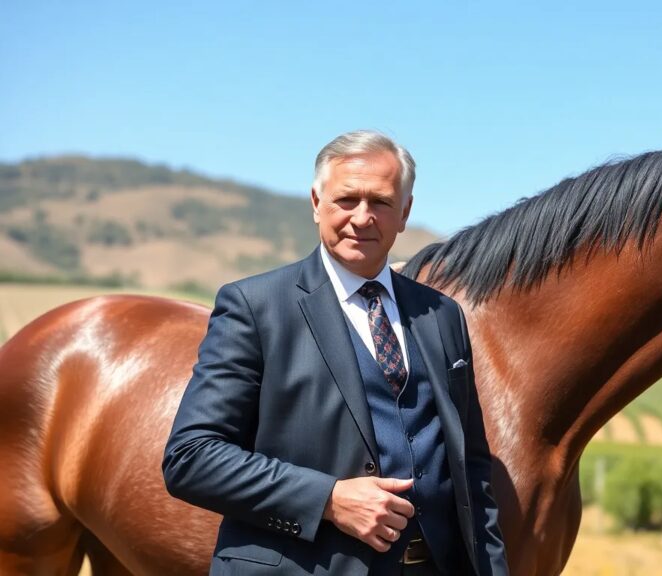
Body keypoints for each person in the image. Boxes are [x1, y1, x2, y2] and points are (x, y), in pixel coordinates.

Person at [162, 130, 508, 576]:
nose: (363, 218)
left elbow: (471, 467)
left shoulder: (442, 315)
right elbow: (191, 457)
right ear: (315, 203)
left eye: (381, 202)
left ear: (405, 212)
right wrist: (327, 500)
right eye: (347, 200)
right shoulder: (255, 307)